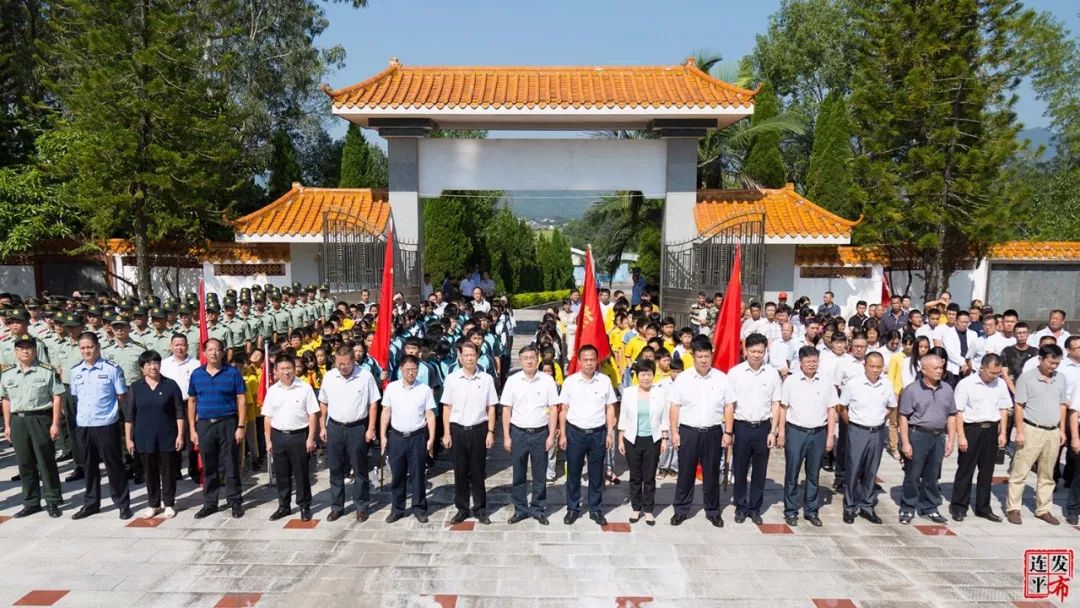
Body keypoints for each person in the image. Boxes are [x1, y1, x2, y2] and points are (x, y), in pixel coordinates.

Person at [669, 336, 735, 527]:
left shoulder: (722, 378)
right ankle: (681, 510)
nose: (703, 360)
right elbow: (674, 407)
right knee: (685, 473)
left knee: (712, 473)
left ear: (711, 356)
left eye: (707, 356)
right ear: (693, 356)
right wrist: (674, 432)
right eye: (700, 356)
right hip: (688, 432)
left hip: (713, 432)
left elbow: (729, 406)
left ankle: (713, 511)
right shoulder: (683, 378)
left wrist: (728, 432)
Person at [69, 332, 132, 520]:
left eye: (90, 347)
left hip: (106, 424)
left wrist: (109, 413)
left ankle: (122, 504)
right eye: (83, 348)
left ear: (98, 347)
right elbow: (76, 396)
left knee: (114, 466)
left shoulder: (112, 369)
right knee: (88, 466)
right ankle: (91, 503)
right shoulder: (76, 371)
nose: (86, 351)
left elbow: (121, 396)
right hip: (84, 425)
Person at [0, 334, 64, 518]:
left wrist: (55, 423)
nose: (25, 351)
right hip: (18, 420)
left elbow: (57, 397)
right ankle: (31, 502)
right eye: (21, 348)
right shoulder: (8, 373)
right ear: (16, 351)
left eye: (29, 347)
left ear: (35, 350)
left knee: (46, 461)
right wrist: (7, 425)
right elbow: (5, 399)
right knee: (25, 463)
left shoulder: (47, 370)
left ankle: (53, 500)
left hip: (40, 418)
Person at [1006, 344, 1068, 525]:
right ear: (1040, 359)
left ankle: (1043, 509)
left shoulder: (1061, 378)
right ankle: (1013, 508)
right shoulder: (1027, 378)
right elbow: (1019, 406)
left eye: (1057, 363)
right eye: (1050, 363)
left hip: (1053, 431)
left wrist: (1062, 429)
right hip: (1031, 429)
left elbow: (1062, 405)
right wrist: (1020, 431)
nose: (1053, 367)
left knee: (1047, 474)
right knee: (1020, 471)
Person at [318, 345, 380, 522]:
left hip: (357, 428)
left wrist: (371, 428)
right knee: (335, 469)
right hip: (335, 428)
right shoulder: (329, 377)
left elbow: (373, 403)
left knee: (360, 469)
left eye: (345, 364)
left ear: (354, 361)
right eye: (339, 364)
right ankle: (337, 506)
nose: (342, 367)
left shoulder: (365, 376)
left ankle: (361, 506)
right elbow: (323, 403)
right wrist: (323, 427)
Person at [187, 338, 247, 519]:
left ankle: (235, 501)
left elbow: (241, 399)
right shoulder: (196, 374)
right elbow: (192, 401)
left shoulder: (232, 373)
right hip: (205, 425)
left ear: (222, 352)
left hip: (227, 422)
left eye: (217, 350)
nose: (213, 353)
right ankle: (210, 503)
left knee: (231, 464)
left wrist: (241, 426)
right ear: (204, 353)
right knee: (209, 466)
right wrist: (192, 428)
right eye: (210, 350)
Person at [559, 344, 618, 526]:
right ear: (579, 361)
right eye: (585, 360)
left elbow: (610, 408)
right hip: (575, 433)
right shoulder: (570, 381)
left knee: (596, 474)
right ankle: (573, 508)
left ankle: (595, 509)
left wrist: (610, 433)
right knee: (574, 473)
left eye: (592, 359)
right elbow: (563, 409)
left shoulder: (604, 381)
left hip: (598, 434)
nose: (589, 363)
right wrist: (562, 434)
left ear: (597, 360)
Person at [500, 344, 559, 525]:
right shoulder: (513, 380)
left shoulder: (547, 380)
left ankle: (538, 508)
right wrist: (506, 436)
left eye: (532, 357)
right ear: (520, 360)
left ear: (538, 358)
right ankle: (520, 509)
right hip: (518, 433)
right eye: (525, 358)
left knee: (539, 474)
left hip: (540, 433)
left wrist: (551, 435)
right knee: (519, 473)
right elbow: (506, 410)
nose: (529, 361)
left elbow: (554, 408)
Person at [442, 341, 499, 525]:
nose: (469, 358)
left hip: (479, 430)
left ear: (477, 356)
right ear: (460, 357)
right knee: (460, 472)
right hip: (458, 430)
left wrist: (490, 432)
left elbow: (491, 408)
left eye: (472, 355)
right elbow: (447, 408)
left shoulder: (486, 379)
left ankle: (480, 509)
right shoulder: (452, 378)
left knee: (477, 472)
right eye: (465, 355)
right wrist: (447, 433)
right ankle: (462, 508)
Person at [779, 346, 837, 527]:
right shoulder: (791, 381)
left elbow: (831, 409)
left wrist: (830, 436)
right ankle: (790, 510)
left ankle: (811, 510)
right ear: (800, 363)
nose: (812, 365)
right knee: (792, 472)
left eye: (815, 361)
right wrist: (781, 432)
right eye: (808, 362)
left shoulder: (826, 382)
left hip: (818, 433)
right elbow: (783, 408)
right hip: (796, 432)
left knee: (813, 474)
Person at [727, 333, 782, 525]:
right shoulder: (734, 373)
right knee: (740, 469)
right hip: (741, 427)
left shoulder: (772, 373)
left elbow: (776, 403)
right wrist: (729, 431)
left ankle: (755, 508)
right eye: (753, 351)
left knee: (760, 471)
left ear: (765, 351)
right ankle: (741, 507)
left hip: (763, 427)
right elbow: (730, 404)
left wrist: (773, 431)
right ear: (745, 351)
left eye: (760, 351)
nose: (757, 355)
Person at [949, 353, 1010, 523]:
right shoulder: (966, 384)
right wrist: (961, 436)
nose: (994, 376)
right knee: (965, 470)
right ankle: (959, 507)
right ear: (981, 368)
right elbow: (958, 412)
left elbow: (1004, 409)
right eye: (991, 373)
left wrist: (1003, 432)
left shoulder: (1000, 384)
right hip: (972, 429)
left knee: (987, 471)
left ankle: (983, 507)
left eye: (997, 373)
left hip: (991, 430)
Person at [123, 350, 184, 519]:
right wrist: (128, 439)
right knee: (149, 472)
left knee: (168, 471)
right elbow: (129, 416)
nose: (152, 367)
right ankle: (154, 504)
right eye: (148, 364)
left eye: (156, 363)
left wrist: (180, 435)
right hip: (144, 437)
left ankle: (169, 503)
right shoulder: (136, 388)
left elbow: (179, 412)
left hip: (167, 435)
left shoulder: (170, 385)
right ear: (142, 368)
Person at [897, 353, 957, 524]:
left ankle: (929, 507)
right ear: (923, 369)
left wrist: (951, 440)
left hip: (938, 436)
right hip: (918, 435)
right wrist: (906, 442)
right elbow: (903, 417)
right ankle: (908, 507)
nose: (940, 371)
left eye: (941, 367)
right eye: (935, 368)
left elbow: (952, 415)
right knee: (913, 474)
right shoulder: (911, 390)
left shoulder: (947, 389)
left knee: (932, 475)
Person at [839, 351, 896, 525]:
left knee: (872, 470)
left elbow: (892, 406)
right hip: (857, 431)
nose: (875, 370)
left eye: (879, 367)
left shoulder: (886, 385)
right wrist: (854, 423)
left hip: (877, 432)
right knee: (854, 469)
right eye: (872, 366)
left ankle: (867, 506)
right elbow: (842, 407)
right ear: (864, 365)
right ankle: (849, 507)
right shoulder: (853, 384)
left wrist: (879, 418)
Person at [262, 354, 319, 522]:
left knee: (301, 473)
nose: (286, 372)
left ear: (294, 369)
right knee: (281, 474)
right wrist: (268, 440)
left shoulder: (305, 388)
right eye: (282, 369)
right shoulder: (272, 391)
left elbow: (313, 415)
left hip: (298, 436)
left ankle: (304, 506)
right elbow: (267, 417)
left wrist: (310, 438)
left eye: (289, 368)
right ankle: (284, 506)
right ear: (276, 371)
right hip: (278, 436)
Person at [380, 354, 437, 523]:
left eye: (414, 370)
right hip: (397, 437)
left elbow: (430, 415)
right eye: (408, 370)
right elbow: (386, 412)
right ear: (401, 370)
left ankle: (419, 508)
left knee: (418, 474)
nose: (411, 373)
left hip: (417, 437)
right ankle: (397, 509)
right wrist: (383, 436)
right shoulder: (391, 388)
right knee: (397, 475)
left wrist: (431, 438)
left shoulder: (424, 389)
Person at [617, 359, 669, 526]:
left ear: (653, 375)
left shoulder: (660, 393)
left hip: (653, 439)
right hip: (632, 439)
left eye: (649, 374)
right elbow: (623, 417)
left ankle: (648, 510)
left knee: (649, 476)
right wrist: (620, 438)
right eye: (642, 374)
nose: (646, 378)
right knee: (635, 476)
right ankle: (635, 507)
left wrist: (665, 438)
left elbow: (664, 418)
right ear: (636, 375)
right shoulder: (629, 393)